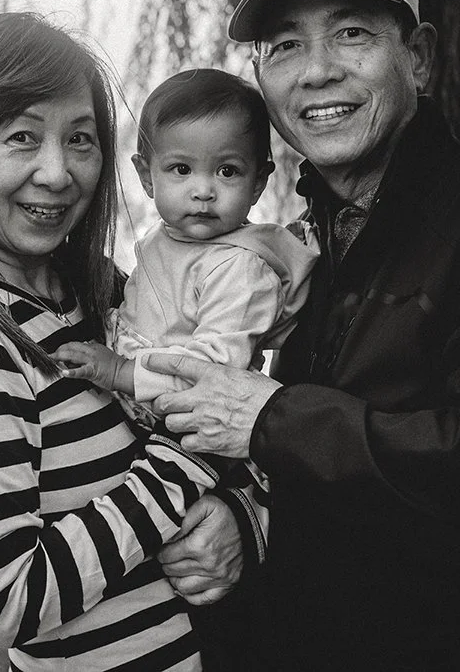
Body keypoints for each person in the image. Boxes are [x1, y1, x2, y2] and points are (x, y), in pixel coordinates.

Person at [142, 0, 460, 670]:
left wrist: (270, 416)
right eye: (285, 46)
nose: (317, 71)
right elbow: (299, 475)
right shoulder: (290, 250)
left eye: (350, 33)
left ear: (416, 56)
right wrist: (241, 515)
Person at [0, 12, 229, 671]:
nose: (58, 171)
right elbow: (9, 601)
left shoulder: (99, 291)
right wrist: (181, 468)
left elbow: (213, 405)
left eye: (80, 138)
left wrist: (240, 515)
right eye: (21, 137)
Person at [52, 67, 318, 473]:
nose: (203, 190)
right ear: (146, 177)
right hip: (143, 417)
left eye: (227, 171)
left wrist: (121, 371)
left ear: (259, 182)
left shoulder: (241, 270)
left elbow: (214, 377)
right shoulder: (166, 239)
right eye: (181, 169)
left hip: (195, 442)